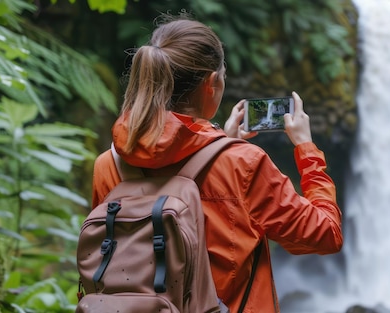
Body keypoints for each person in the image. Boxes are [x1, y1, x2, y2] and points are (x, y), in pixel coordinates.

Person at [90, 13, 343, 313]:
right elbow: (326, 234)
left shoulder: (109, 164)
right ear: (212, 83)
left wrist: (220, 142)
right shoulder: (243, 164)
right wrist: (306, 148)